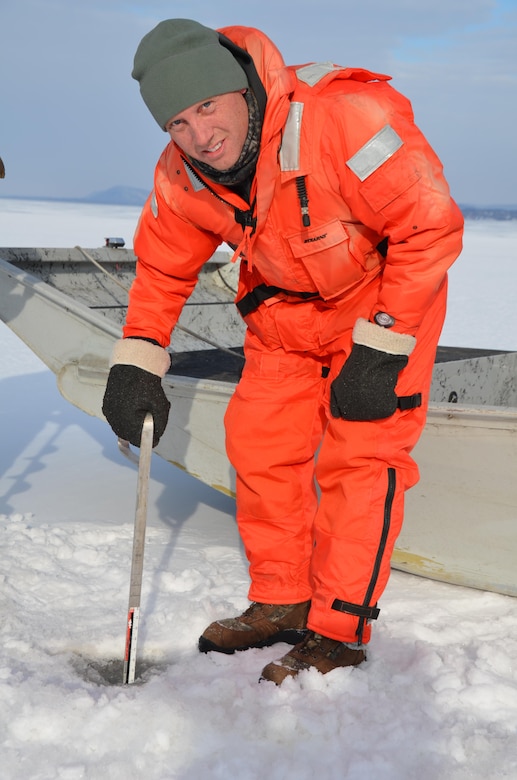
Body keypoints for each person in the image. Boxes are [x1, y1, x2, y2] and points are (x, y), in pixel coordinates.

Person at [102, 18, 463, 685]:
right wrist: (137, 359)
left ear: (237, 87)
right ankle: (282, 598)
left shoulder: (342, 117)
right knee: (259, 444)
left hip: (380, 304)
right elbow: (161, 269)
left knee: (361, 459)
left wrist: (382, 346)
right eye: (177, 124)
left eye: (206, 107)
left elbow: (428, 224)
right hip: (280, 316)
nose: (199, 136)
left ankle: (337, 634)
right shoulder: (183, 175)